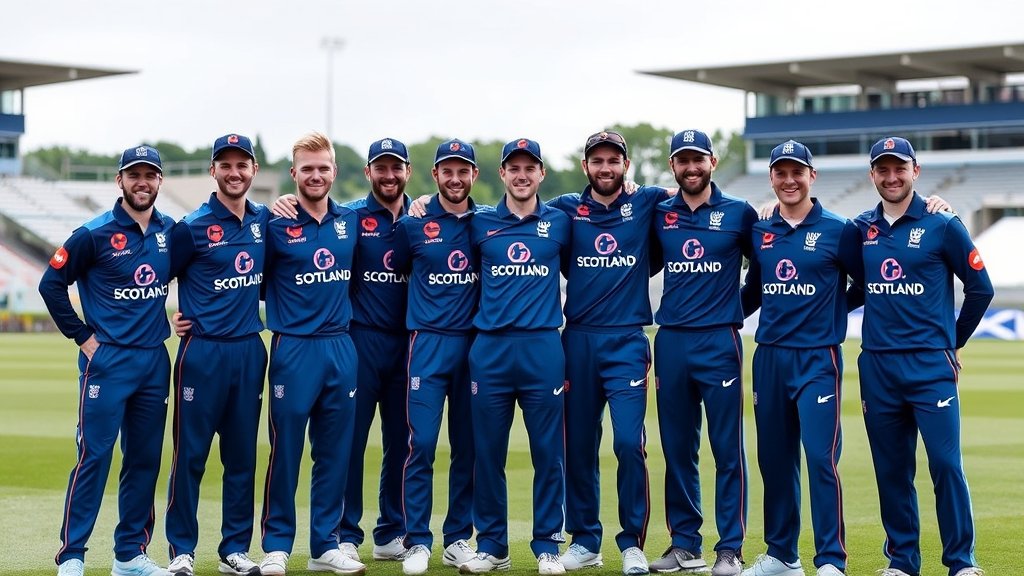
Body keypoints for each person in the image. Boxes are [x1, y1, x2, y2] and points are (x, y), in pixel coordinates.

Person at [269, 137, 415, 563]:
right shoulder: (350, 217)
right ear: (366, 172)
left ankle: (386, 532)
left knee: (401, 442)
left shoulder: (421, 215)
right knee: (333, 445)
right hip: (352, 338)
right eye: (380, 168)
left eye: (397, 168)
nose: (389, 176)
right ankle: (332, 536)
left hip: (404, 341)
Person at [854, 137, 993, 576]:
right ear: (873, 174)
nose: (891, 177)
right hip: (877, 365)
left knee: (946, 465)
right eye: (883, 169)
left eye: (900, 168)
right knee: (892, 470)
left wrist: (952, 343)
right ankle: (902, 562)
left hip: (930, 366)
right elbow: (841, 277)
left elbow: (981, 288)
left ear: (916, 170)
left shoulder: (943, 223)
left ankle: (961, 562)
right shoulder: (858, 229)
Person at [39, 145, 174, 576]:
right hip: (108, 362)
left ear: (159, 181)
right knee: (94, 456)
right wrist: (82, 337)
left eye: (150, 175)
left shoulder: (170, 232)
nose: (142, 182)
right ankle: (73, 556)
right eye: (134, 174)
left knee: (144, 459)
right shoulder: (93, 234)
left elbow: (205, 272)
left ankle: (130, 555)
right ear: (120, 180)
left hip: (154, 360)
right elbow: (50, 284)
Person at [738, 141, 864, 576]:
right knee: (773, 459)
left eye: (797, 172)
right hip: (769, 357)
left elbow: (864, 283)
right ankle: (781, 555)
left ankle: (831, 559)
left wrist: (829, 311)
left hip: (817, 360)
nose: (789, 180)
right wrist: (716, 319)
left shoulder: (840, 229)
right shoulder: (761, 231)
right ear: (771, 178)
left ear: (813, 176)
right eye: (780, 173)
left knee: (819, 456)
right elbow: (753, 291)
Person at [548, 130, 667, 576]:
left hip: (626, 341)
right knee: (577, 446)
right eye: (597, 160)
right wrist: (425, 203)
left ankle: (631, 542)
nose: (605, 168)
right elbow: (515, 213)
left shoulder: (647, 201)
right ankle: (585, 541)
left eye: (613, 161)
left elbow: (692, 191)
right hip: (577, 339)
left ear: (626, 165)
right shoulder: (563, 209)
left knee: (627, 443)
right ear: (586, 166)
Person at [457, 138, 571, 575]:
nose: (522, 175)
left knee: (548, 453)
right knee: (487, 453)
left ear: (542, 174)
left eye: (530, 167)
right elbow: (439, 219)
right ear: (501, 173)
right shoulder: (479, 222)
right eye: (513, 168)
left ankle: (546, 546)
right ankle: (492, 546)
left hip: (543, 347)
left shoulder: (560, 222)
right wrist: (420, 201)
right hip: (490, 350)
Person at [257, 132, 366, 576]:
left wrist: (417, 204)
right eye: (307, 168)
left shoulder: (352, 220)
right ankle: (277, 545)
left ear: (334, 172)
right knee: (286, 451)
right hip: (293, 348)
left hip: (341, 347)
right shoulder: (273, 223)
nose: (316, 175)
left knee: (336, 451)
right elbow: (242, 277)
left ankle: (325, 543)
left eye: (323, 167)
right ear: (294, 174)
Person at [163, 134, 269, 576]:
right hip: (202, 353)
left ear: (253, 170)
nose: (234, 172)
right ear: (213, 171)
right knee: (190, 456)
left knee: (242, 457)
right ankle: (182, 551)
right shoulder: (190, 226)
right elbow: (150, 275)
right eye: (225, 165)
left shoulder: (266, 221)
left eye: (241, 164)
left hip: (248, 350)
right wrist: (167, 319)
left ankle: (233, 550)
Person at [651, 130, 754, 576]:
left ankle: (729, 547)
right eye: (682, 161)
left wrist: (730, 309)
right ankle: (685, 544)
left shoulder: (739, 213)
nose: (691, 168)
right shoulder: (658, 213)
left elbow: (765, 269)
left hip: (718, 342)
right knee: (677, 448)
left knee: (726, 448)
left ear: (712, 161)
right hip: (671, 340)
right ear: (673, 166)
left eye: (698, 160)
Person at [389, 138, 481, 576]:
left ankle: (459, 538)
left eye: (463, 170)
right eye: (448, 170)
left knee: (467, 447)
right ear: (435, 176)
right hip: (426, 344)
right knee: (421, 443)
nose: (456, 178)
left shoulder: (489, 222)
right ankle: (417, 540)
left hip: (475, 347)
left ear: (474, 176)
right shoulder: (413, 223)